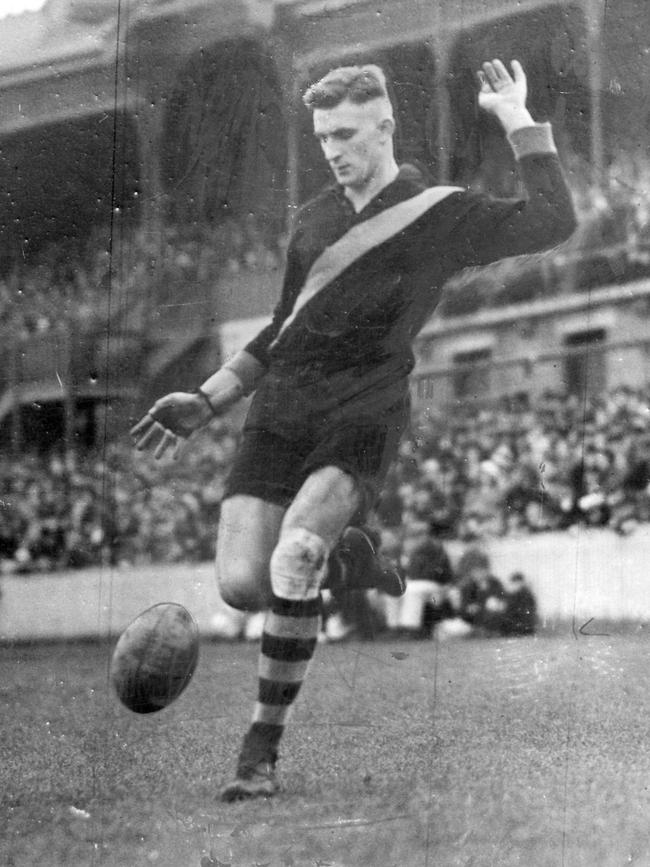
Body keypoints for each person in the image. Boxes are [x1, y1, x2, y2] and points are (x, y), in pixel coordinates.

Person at [131, 58, 576, 800]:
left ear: (384, 126)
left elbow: (553, 220)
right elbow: (279, 329)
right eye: (322, 136)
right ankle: (352, 559)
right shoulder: (311, 221)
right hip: (283, 407)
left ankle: (259, 752)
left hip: (365, 405)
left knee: (296, 554)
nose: (333, 149)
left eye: (344, 133)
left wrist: (517, 120)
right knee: (244, 586)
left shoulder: (439, 209)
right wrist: (206, 399)